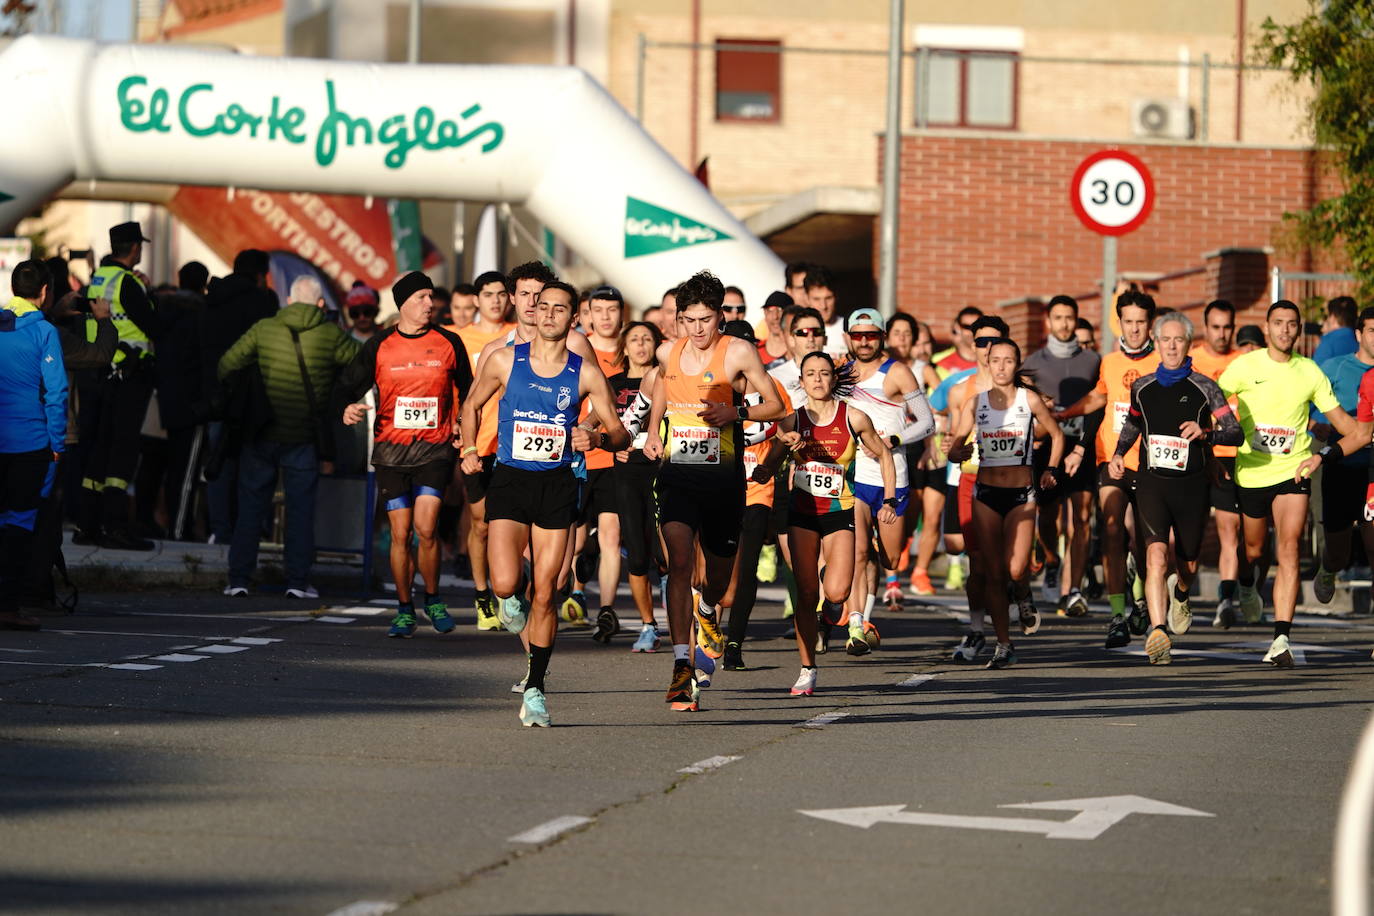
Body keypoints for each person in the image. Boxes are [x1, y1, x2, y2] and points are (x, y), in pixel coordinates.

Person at [460, 279, 629, 727]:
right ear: (532, 310)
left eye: (560, 309)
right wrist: (470, 448)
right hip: (511, 481)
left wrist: (592, 436)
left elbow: (620, 434)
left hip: (557, 485)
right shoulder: (503, 360)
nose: (549, 314)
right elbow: (471, 405)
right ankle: (506, 601)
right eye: (543, 306)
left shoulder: (584, 372)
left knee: (547, 591)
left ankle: (535, 687)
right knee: (503, 584)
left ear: (574, 318)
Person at [643, 271, 785, 711]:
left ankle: (708, 611)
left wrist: (736, 411)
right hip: (677, 476)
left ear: (720, 316)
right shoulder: (668, 351)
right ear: (679, 319)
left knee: (719, 582)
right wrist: (652, 433)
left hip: (722, 480)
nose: (698, 329)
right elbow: (663, 395)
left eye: (706, 319)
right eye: (689, 320)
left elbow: (778, 405)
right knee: (679, 561)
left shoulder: (737, 351)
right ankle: (682, 666)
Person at [1220, 300, 1360, 667]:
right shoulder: (1245, 366)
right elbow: (1212, 401)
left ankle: (1281, 638)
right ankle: (1248, 584)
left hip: (1292, 472)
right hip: (1251, 473)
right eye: (1278, 323)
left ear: (1299, 330)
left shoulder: (1310, 372)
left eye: (1292, 324)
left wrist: (1340, 445)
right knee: (1253, 551)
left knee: (1289, 547)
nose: (1285, 330)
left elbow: (1347, 427)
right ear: (1266, 327)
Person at [756, 351, 896, 693]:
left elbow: (885, 455)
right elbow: (770, 462)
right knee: (805, 596)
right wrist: (767, 464)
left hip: (838, 515)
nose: (818, 380)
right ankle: (807, 669)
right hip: (802, 516)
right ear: (801, 382)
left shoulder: (855, 418)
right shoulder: (791, 421)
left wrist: (889, 499)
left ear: (834, 379)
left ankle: (832, 601)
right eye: (811, 374)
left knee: (838, 591)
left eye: (824, 373)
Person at [338, 271, 471, 631]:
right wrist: (346, 407)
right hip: (391, 454)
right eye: (422, 298)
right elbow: (346, 386)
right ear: (403, 304)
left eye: (431, 297)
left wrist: (462, 422)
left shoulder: (448, 342)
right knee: (400, 534)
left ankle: (433, 598)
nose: (430, 304)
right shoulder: (379, 346)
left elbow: (471, 391)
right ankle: (404, 606)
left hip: (434, 450)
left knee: (426, 529)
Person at [1110, 312, 1243, 664]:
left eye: (1178, 340)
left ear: (1187, 344)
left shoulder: (1205, 386)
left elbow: (1235, 431)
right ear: (1156, 343)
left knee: (1187, 564)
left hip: (1192, 487)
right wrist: (1119, 453)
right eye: (1165, 340)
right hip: (1153, 482)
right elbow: (1133, 425)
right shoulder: (1142, 386)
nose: (1171, 346)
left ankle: (1181, 593)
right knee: (1155, 556)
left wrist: (1207, 433)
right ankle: (1157, 631)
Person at [221, 275, 361, 599]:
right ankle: (297, 582)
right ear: (321, 303)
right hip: (304, 437)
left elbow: (227, 364)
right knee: (300, 512)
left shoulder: (265, 328)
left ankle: (238, 579)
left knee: (251, 508)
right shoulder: (330, 334)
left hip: (261, 434)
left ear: (288, 300)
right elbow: (362, 362)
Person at [945, 336, 1063, 669]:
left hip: (1021, 495)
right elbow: (955, 446)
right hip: (985, 494)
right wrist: (959, 452)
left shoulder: (1029, 400)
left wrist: (1051, 469)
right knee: (994, 572)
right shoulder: (975, 402)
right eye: (995, 360)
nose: (1001, 367)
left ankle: (1023, 591)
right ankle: (1004, 643)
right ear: (987, 362)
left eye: (1008, 361)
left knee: (1014, 568)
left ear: (1017, 364)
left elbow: (1056, 434)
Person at [1058, 291, 1160, 646]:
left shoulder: (1164, 363)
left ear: (1151, 324)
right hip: (1112, 459)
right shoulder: (1111, 362)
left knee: (1145, 540)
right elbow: (1100, 402)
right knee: (1112, 529)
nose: (1134, 329)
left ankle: (1144, 600)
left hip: (1150, 462)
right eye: (1128, 321)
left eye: (1140, 322)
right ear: (1120, 322)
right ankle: (1117, 614)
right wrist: (1064, 415)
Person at [843, 309, 935, 629]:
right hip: (854, 477)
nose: (864, 341)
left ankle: (870, 598)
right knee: (858, 551)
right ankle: (859, 623)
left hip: (891, 476)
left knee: (889, 559)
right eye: (858, 335)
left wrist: (893, 440)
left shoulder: (897, 372)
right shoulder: (841, 372)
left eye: (871, 335)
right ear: (849, 338)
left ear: (882, 337)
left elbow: (926, 421)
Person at [75, 221, 161, 551]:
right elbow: (155, 327)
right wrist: (151, 295)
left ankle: (87, 524)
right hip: (129, 373)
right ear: (135, 248)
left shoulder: (98, 277)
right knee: (123, 450)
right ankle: (115, 526)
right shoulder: (128, 282)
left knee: (100, 446)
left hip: (100, 371)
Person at [717, 318, 791, 670]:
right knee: (717, 570)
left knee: (745, 570)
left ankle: (735, 642)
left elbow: (789, 430)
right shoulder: (712, 383)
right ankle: (708, 628)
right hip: (715, 487)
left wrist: (771, 463)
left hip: (756, 490)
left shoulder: (772, 386)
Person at [1022, 295, 1100, 616]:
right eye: (1058, 318)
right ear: (1048, 322)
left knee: (1081, 519)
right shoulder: (1032, 363)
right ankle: (1052, 561)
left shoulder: (1094, 361)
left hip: (1082, 447)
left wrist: (1085, 442)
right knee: (1048, 516)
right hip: (1046, 448)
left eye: (1070, 318)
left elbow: (1101, 404)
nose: (1064, 324)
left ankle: (1074, 589)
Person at [0, 260, 66, 631]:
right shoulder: (43, 330)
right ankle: (8, 605)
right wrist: (57, 445)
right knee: (19, 523)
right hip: (28, 443)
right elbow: (56, 394)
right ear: (43, 292)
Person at [201, 249, 279, 543]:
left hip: (217, 395)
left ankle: (220, 530)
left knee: (219, 463)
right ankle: (250, 530)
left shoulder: (213, 299)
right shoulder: (263, 302)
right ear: (260, 274)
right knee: (254, 468)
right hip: (254, 397)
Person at [608, 320, 667, 653]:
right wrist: (611, 440)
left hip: (663, 467)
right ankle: (648, 625)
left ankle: (672, 592)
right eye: (635, 339)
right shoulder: (613, 383)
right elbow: (601, 419)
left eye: (648, 339)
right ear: (624, 346)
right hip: (627, 469)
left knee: (666, 550)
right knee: (636, 551)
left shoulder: (669, 379)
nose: (641, 345)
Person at [1312, 306, 1374, 603]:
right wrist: (1316, 425)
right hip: (1341, 465)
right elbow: (1307, 402)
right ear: (1359, 334)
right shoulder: (1335, 367)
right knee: (1339, 551)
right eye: (1372, 331)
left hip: (1372, 473)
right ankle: (1328, 567)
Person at [1188, 300, 1244, 627]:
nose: (1222, 334)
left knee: (1229, 529)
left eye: (1227, 327)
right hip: (1196, 458)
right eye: (1216, 327)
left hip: (1231, 457)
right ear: (1205, 327)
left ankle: (1226, 600)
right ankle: (1180, 592)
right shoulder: (1191, 362)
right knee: (1186, 536)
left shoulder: (1244, 362)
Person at [577, 285, 628, 642]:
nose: (606, 317)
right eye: (600, 310)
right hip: (575, 458)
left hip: (614, 456)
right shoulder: (576, 349)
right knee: (575, 541)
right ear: (587, 314)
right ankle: (576, 589)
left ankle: (606, 610)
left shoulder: (633, 351)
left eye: (613, 310)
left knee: (612, 535)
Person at [801, 265, 848, 358]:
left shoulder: (851, 329)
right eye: (816, 299)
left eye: (828, 298)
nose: (823, 306)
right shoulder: (798, 331)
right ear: (806, 298)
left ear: (836, 296)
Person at [934, 306, 983, 374]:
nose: (972, 332)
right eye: (967, 327)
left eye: (976, 327)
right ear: (957, 328)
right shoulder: (937, 361)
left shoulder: (993, 360)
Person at [1312, 295, 1358, 363]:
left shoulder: (1328, 343)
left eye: (1328, 316)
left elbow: (1316, 370)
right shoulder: (1360, 342)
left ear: (1333, 318)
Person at [756, 290, 791, 366]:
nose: (775, 316)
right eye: (770, 310)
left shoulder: (799, 351)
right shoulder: (754, 351)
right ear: (765, 314)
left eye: (780, 310)